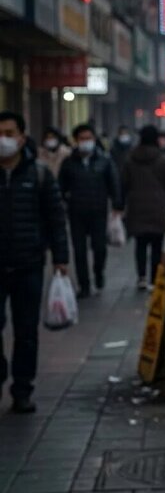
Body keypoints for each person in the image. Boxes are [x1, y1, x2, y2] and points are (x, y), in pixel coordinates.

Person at [0, 112, 69, 414]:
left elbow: (55, 218)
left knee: (26, 331)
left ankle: (22, 388)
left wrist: (61, 259)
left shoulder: (39, 174)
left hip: (28, 264)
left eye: (9, 132)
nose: (3, 139)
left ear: (22, 137)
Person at [59, 124, 124, 299]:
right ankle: (84, 284)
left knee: (99, 247)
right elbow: (60, 188)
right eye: (82, 139)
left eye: (88, 138)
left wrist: (117, 205)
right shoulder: (69, 163)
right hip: (76, 212)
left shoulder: (104, 161)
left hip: (98, 211)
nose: (85, 142)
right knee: (79, 251)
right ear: (76, 141)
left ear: (94, 140)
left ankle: (98, 272)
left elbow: (114, 184)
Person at [122, 125, 165, 290]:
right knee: (156, 245)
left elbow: (124, 183)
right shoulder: (163, 159)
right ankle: (154, 278)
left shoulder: (131, 159)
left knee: (140, 244)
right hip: (159, 207)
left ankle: (141, 277)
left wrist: (121, 204)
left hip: (136, 206)